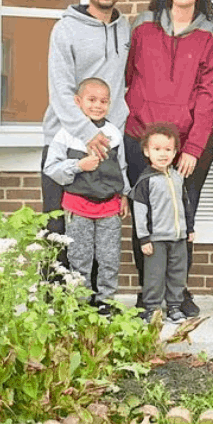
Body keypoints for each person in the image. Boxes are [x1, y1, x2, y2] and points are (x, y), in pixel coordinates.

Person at [123, 0, 213, 318]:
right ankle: (148, 295)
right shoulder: (143, 25)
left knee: (181, 221)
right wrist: (134, 121)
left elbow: (208, 93)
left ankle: (178, 295)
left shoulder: (210, 34)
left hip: (185, 145)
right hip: (140, 139)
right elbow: (128, 75)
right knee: (146, 218)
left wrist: (194, 147)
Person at [41, 0, 129, 246]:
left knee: (98, 228)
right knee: (58, 225)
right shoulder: (65, 30)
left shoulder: (125, 28)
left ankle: (91, 292)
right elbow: (61, 90)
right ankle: (54, 290)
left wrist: (111, 134)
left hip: (107, 142)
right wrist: (89, 134)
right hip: (68, 139)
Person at [43, 77, 130, 311]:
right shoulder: (65, 135)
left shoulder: (114, 134)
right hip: (78, 207)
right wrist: (79, 166)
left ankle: (105, 302)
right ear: (78, 102)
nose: (97, 105)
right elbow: (50, 168)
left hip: (109, 208)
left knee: (109, 258)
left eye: (103, 101)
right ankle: (80, 302)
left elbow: (121, 168)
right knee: (79, 258)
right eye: (91, 100)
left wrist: (124, 195)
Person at [130, 122, 194, 323]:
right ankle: (152, 309)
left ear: (175, 152)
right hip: (156, 239)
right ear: (147, 152)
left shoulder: (177, 177)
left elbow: (185, 204)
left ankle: (174, 307)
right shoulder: (145, 181)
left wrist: (189, 229)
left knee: (177, 275)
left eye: (168, 149)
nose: (163, 154)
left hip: (178, 237)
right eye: (157, 149)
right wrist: (144, 238)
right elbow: (139, 212)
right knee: (154, 276)